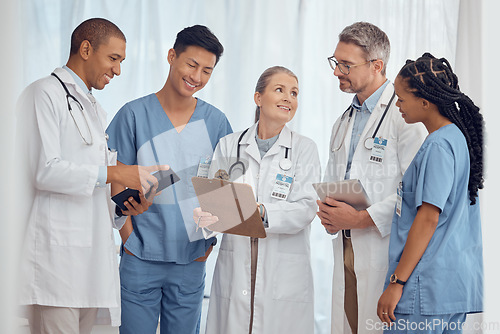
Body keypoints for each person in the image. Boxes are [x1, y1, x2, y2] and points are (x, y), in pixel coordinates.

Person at [16, 18, 167, 334]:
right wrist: (117, 171)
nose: (118, 71)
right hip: (54, 264)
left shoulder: (95, 111)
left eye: (122, 62)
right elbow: (44, 171)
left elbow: (95, 186)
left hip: (94, 266)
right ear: (86, 49)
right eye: (114, 59)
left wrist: (122, 207)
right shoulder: (42, 94)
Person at [106, 25, 232, 334]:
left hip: (191, 257)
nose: (197, 77)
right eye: (192, 65)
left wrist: (208, 246)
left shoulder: (216, 123)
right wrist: (129, 238)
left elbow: (224, 191)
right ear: (171, 56)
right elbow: (115, 180)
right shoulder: (133, 115)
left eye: (207, 70)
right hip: (140, 255)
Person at [317, 22, 428, 334]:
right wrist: (328, 211)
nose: (337, 71)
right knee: (349, 324)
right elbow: (335, 177)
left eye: (345, 65)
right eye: (335, 62)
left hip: (384, 248)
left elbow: (417, 191)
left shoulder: (404, 115)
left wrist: (362, 218)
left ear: (376, 65)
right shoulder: (343, 121)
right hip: (346, 244)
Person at [196, 66, 320, 334]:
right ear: (258, 98)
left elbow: (306, 207)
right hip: (237, 260)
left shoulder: (304, 148)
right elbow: (215, 202)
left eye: (294, 93)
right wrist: (208, 216)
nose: (289, 97)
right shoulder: (230, 145)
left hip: (283, 268)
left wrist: (260, 211)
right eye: (280, 90)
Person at [377, 53, 484, 333]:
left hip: (423, 288)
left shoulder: (437, 146)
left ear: (425, 102)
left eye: (401, 98)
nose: (397, 105)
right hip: (449, 287)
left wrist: (396, 283)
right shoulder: (456, 140)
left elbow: (428, 218)